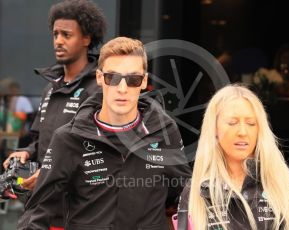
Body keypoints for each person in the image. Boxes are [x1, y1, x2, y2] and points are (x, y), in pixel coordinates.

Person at [19, 37, 191, 230]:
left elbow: (185, 193)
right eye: (113, 78)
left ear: (143, 82)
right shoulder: (69, 137)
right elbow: (39, 210)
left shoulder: (165, 131)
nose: (122, 89)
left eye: (133, 79)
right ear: (100, 78)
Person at [2, 0, 107, 228]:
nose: (58, 41)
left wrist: (50, 174)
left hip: (79, 213)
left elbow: (97, 151)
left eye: (66, 35)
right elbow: (40, 141)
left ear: (86, 39)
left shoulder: (98, 88)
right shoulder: (50, 88)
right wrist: (26, 154)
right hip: (41, 210)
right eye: (55, 34)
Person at [176, 84, 289, 229]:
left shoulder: (282, 182)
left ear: (260, 130)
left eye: (251, 123)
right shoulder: (195, 190)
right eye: (232, 123)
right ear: (214, 129)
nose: (243, 132)